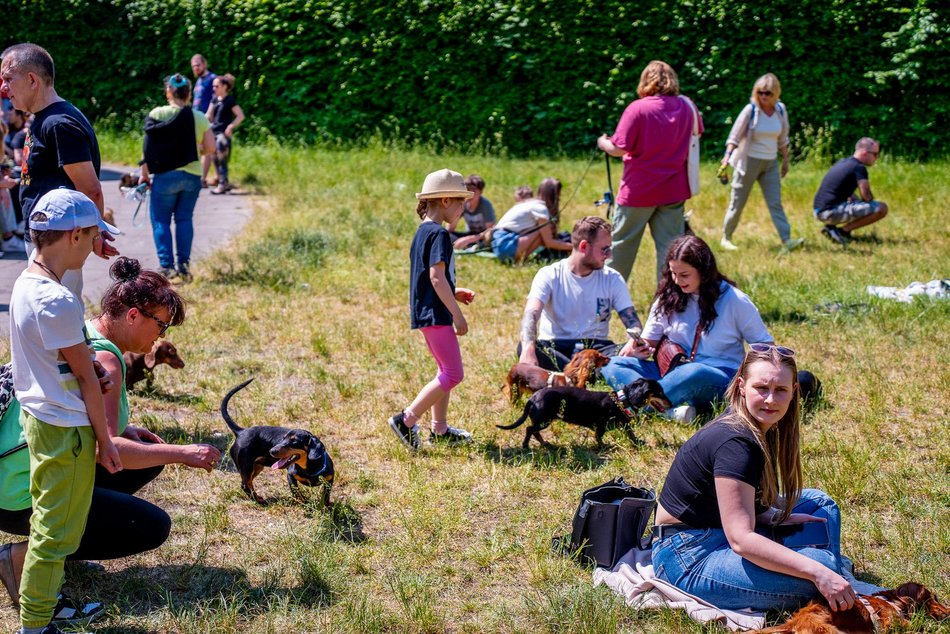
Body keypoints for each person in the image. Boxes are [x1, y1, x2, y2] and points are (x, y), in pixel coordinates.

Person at [0, 256, 219, 621]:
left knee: (146, 462)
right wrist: (183, 452)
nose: (160, 337)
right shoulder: (109, 361)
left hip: (14, 480)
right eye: (161, 325)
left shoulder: (86, 331)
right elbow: (110, 451)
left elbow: (97, 429)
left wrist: (136, 437)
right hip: (23, 494)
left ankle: (62, 549)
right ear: (134, 315)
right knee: (151, 526)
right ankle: (25, 558)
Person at [650, 345, 882, 611]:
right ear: (741, 386)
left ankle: (830, 573)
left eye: (780, 390)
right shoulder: (735, 443)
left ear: (794, 391)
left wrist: (769, 515)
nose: (771, 399)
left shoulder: (757, 426)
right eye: (762, 388)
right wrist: (818, 572)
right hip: (688, 556)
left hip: (718, 529)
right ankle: (833, 575)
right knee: (820, 571)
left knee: (819, 503)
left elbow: (735, 503)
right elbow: (741, 539)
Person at [8, 189, 122, 634]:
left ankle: (41, 608)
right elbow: (89, 383)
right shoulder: (58, 300)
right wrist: (107, 441)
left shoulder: (28, 281)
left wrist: (85, 368)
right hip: (66, 428)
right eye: (93, 236)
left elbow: (64, 360)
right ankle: (36, 625)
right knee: (54, 537)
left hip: (40, 416)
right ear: (75, 235)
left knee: (54, 527)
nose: (96, 246)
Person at [600, 235, 774, 422]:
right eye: (673, 273)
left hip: (718, 376)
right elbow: (650, 339)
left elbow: (764, 345)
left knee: (694, 372)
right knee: (612, 364)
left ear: (704, 271)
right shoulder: (668, 296)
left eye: (684, 275)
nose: (676, 280)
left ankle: (631, 406)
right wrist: (637, 348)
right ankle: (669, 412)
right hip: (671, 370)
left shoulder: (734, 300)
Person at [0, 43, 118, 297]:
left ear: (32, 80)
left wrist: (93, 234)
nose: (3, 88)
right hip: (50, 240)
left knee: (56, 314)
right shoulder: (45, 118)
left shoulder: (58, 124)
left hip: (59, 243)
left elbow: (90, 189)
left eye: (8, 78)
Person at [387, 169, 476, 450]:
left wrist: (454, 292)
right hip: (436, 315)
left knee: (444, 371)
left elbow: (431, 278)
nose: (464, 208)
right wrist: (457, 315)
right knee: (453, 374)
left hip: (426, 312)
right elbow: (436, 278)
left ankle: (440, 429)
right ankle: (406, 419)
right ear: (446, 200)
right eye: (461, 202)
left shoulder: (423, 231)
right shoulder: (439, 234)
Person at [598, 60, 702, 282]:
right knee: (671, 251)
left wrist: (602, 143)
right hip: (673, 190)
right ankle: (669, 302)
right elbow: (697, 134)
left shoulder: (638, 108)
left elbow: (618, 149)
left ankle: (604, 297)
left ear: (645, 81)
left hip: (638, 191)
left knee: (621, 246)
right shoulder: (687, 106)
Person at [517, 216, 644, 372]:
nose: (610, 255)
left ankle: (568, 373)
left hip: (596, 350)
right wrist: (528, 349)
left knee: (628, 352)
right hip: (556, 347)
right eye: (605, 249)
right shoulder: (549, 274)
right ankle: (586, 372)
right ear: (584, 246)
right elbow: (531, 314)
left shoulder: (612, 278)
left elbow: (633, 322)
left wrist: (633, 341)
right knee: (526, 347)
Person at [139, 73, 214, 282]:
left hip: (165, 177)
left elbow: (147, 148)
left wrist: (143, 174)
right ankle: (184, 264)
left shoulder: (157, 113)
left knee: (161, 220)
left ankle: (167, 266)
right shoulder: (198, 117)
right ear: (189, 94)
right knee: (184, 219)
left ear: (168, 92)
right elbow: (211, 148)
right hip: (192, 177)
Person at [720, 74, 804, 252]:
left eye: (768, 93)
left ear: (775, 93)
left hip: (770, 163)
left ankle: (786, 239)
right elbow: (734, 136)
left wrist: (785, 161)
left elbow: (783, 138)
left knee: (775, 202)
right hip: (748, 162)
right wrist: (727, 158)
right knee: (738, 202)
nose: (764, 96)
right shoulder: (751, 110)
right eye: (760, 92)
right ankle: (726, 238)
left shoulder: (780, 110)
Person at [813, 138, 889, 245]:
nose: (876, 158)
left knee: (856, 201)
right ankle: (843, 231)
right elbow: (866, 196)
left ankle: (831, 228)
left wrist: (856, 202)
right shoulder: (859, 167)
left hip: (819, 210)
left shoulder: (844, 162)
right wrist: (868, 206)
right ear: (864, 153)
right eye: (875, 154)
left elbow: (841, 190)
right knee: (881, 208)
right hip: (829, 213)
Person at [491, 177, 571, 263]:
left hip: (498, 246)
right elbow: (548, 242)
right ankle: (519, 260)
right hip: (507, 245)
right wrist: (574, 247)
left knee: (542, 230)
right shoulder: (541, 209)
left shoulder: (529, 203)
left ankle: (519, 259)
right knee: (544, 231)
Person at [206, 74, 245, 195]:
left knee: (222, 157)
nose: (214, 88)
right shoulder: (214, 99)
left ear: (224, 86)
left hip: (223, 134)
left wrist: (231, 126)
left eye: (216, 86)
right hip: (214, 131)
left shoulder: (230, 101)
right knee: (214, 157)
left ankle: (222, 184)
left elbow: (240, 115)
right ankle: (223, 182)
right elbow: (209, 115)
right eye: (213, 86)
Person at [448, 174, 495, 250]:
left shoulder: (485, 205)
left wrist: (468, 239)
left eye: (473, 191)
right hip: (470, 233)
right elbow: (450, 229)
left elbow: (490, 230)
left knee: (490, 239)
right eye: (467, 190)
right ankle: (468, 245)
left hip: (482, 236)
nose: (470, 194)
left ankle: (472, 245)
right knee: (446, 235)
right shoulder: (462, 203)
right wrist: (457, 208)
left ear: (481, 192)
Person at [190, 54, 216, 187]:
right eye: (193, 66)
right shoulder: (199, 81)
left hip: (206, 119)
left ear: (204, 64)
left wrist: (209, 113)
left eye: (198, 65)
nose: (196, 68)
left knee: (207, 147)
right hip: (195, 117)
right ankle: (203, 176)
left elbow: (215, 97)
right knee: (198, 147)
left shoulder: (212, 78)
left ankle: (202, 179)